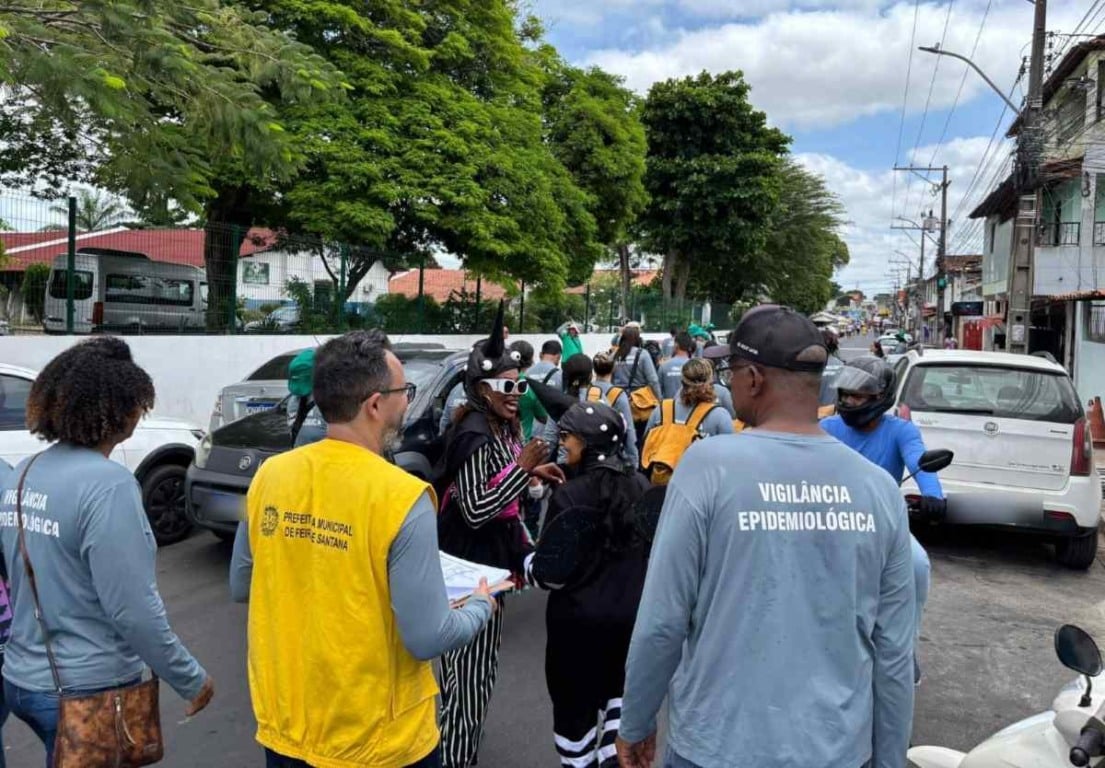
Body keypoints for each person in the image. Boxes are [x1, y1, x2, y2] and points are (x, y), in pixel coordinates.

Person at [618, 305, 915, 768]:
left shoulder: (706, 467)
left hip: (714, 749)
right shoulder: (879, 490)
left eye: (730, 371)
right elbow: (894, 651)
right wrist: (890, 759)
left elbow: (662, 621)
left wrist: (636, 723)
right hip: (835, 752)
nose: (727, 383)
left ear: (753, 378)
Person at [0, 338, 214, 767]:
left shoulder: (22, 475)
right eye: (138, 402)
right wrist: (190, 677)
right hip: (84, 692)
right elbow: (132, 609)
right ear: (122, 410)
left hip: (20, 680)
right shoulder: (109, 486)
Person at [436, 305, 564, 768]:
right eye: (506, 386)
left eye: (520, 385)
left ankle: (454, 749)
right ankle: (454, 759)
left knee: (474, 676)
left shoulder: (500, 426)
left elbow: (504, 493)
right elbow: (473, 510)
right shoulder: (473, 434)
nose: (516, 394)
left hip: (489, 568)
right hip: (470, 575)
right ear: (481, 390)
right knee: (468, 680)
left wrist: (531, 475)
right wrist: (523, 470)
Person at [523, 395, 650, 768]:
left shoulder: (569, 496)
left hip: (576, 628)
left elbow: (549, 573)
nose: (562, 443)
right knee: (618, 702)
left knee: (575, 720)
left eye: (569, 437)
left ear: (588, 443)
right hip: (628, 624)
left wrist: (523, 557)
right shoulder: (640, 485)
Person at [820, 355, 945, 685]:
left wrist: (933, 495)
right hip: (827, 521)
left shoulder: (900, 430)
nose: (848, 402)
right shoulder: (826, 428)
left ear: (880, 398)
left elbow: (919, 460)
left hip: (883, 523)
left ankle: (906, 649)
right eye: (845, 395)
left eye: (857, 396)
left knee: (917, 565)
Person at [642, 359, 734, 444]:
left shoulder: (661, 410)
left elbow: (646, 444)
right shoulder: (720, 415)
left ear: (682, 382)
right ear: (711, 381)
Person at [587, 352, 639, 471]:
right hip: (612, 454)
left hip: (588, 450)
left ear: (594, 369)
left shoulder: (588, 390)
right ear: (613, 368)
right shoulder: (618, 395)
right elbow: (629, 430)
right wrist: (633, 460)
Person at [612, 325, 662, 442]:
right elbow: (653, 380)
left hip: (619, 398)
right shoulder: (643, 354)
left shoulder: (615, 355)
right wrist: (659, 399)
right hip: (640, 402)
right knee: (640, 434)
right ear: (637, 339)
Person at [509, 341, 549, 442]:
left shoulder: (499, 382)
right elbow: (543, 418)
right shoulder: (530, 387)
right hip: (521, 445)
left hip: (499, 444)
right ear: (531, 360)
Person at [658, 332, 695, 400]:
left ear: (676, 345)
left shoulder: (664, 366)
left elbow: (658, 391)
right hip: (690, 407)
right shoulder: (695, 366)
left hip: (669, 408)